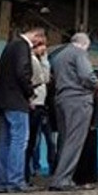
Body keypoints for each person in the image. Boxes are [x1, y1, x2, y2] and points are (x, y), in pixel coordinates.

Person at [0, 24, 45, 192]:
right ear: (37, 36)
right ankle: (15, 181)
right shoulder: (22, 47)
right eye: (40, 42)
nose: (39, 46)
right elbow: (22, 73)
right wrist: (30, 93)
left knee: (4, 141)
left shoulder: (10, 46)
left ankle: (2, 182)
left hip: (4, 101)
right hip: (17, 101)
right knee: (19, 141)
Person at [49, 33, 98, 191]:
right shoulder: (79, 53)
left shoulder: (59, 56)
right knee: (74, 141)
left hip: (61, 100)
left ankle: (58, 177)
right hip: (78, 101)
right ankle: (62, 180)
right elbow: (86, 75)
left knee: (65, 140)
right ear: (84, 44)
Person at [25, 40, 56, 184]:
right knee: (32, 142)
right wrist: (44, 60)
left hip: (43, 108)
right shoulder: (33, 62)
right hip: (35, 105)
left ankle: (44, 168)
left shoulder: (36, 61)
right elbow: (43, 78)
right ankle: (28, 172)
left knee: (42, 142)